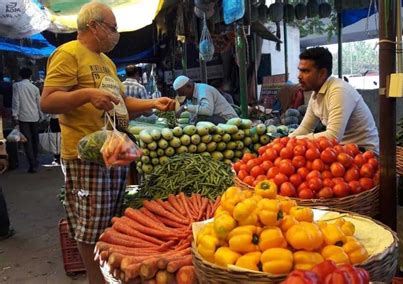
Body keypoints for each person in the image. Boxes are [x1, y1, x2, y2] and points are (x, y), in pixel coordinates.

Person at [40, 3, 175, 283]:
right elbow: (48, 101)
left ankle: (110, 275)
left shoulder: (107, 62)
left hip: (114, 155)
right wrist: (87, 94)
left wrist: (153, 103)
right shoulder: (67, 54)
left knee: (113, 223)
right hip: (85, 157)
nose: (116, 35)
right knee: (91, 228)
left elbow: (121, 104)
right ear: (94, 27)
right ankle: (96, 279)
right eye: (113, 28)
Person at [289, 47, 379, 154]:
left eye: (305, 71)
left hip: (364, 154)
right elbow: (305, 128)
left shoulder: (339, 91)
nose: (299, 76)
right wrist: (285, 141)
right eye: (299, 70)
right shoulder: (316, 94)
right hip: (341, 150)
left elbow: (332, 136)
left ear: (322, 73)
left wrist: (294, 141)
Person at [12, 67, 43, 173]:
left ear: (20, 75)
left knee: (27, 141)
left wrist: (15, 115)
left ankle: (32, 164)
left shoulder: (16, 86)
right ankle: (35, 160)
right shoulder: (35, 88)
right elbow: (39, 103)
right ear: (30, 76)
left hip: (23, 117)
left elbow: (16, 101)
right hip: (34, 116)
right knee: (35, 139)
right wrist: (42, 115)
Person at [173, 75, 238, 124]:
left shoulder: (203, 90)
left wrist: (185, 107)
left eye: (183, 93)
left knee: (201, 119)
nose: (183, 97)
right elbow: (193, 117)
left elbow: (208, 111)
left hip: (228, 121)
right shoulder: (191, 97)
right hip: (216, 120)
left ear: (189, 86)